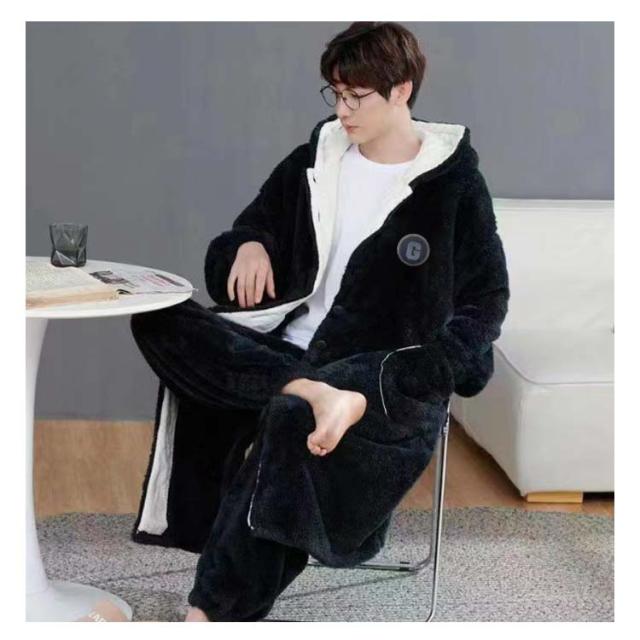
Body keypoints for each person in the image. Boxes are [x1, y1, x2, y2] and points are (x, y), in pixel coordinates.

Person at [129, 21, 510, 622]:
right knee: (158, 317)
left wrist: (417, 373)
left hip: (376, 374)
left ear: (402, 90)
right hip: (287, 351)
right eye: (336, 93)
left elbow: (486, 302)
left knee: (289, 420)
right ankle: (312, 391)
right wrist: (248, 245)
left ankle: (211, 614)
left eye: (357, 96)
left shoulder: (452, 186)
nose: (342, 109)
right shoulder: (317, 159)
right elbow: (245, 232)